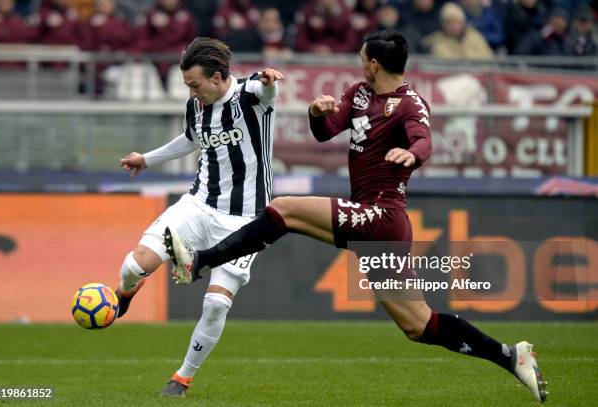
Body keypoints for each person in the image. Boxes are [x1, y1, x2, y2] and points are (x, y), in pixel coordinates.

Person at [166, 30, 548, 403]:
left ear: (374, 63)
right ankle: (511, 357)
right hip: (371, 218)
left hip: (381, 215)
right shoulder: (361, 94)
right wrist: (317, 113)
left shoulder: (412, 104)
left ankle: (200, 261)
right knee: (419, 325)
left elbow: (424, 140)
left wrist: (413, 155)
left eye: (363, 58)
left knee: (285, 209)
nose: (360, 63)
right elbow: (326, 132)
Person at [114, 36, 284, 398]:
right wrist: (146, 158)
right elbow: (190, 139)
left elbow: (262, 88)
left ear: (220, 77)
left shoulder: (251, 97)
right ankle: (128, 291)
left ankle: (182, 378)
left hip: (245, 220)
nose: (192, 92)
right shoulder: (196, 106)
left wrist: (268, 80)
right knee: (133, 266)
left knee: (216, 303)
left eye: (195, 84)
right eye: (187, 86)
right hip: (199, 205)